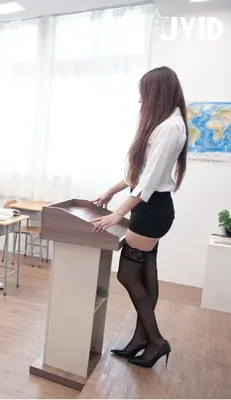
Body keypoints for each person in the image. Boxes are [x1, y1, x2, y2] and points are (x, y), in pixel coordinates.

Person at [91, 66, 188, 368]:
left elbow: (148, 181)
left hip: (152, 209)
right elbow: (140, 172)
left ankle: (156, 341)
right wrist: (110, 192)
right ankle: (140, 339)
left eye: (143, 94)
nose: (140, 100)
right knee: (145, 273)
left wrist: (118, 213)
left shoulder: (170, 127)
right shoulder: (166, 123)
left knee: (127, 274)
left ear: (158, 93)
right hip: (151, 207)